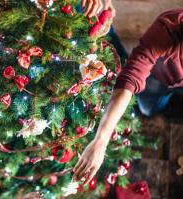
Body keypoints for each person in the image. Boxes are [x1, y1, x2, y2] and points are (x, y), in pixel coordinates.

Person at [74, 9, 183, 185]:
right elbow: (130, 79)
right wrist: (101, 140)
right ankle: (107, 27)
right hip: (158, 77)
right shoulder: (168, 28)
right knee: (148, 108)